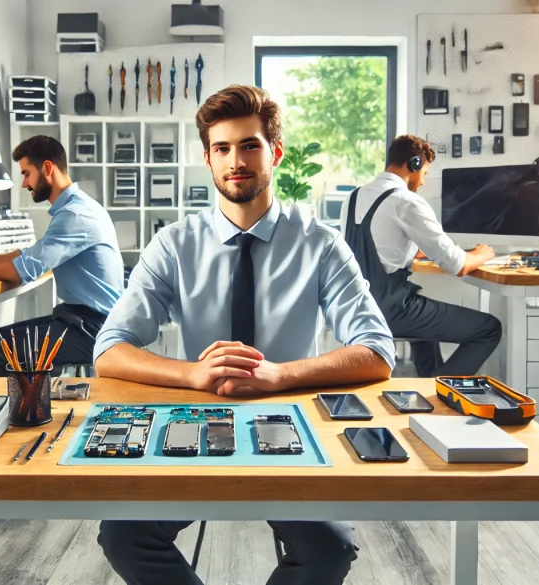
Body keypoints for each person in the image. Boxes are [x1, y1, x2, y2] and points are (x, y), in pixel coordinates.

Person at [91, 85, 396, 585]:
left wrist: (280, 375)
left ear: (274, 152)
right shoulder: (173, 244)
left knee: (330, 547)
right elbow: (110, 349)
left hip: (291, 424)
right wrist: (191, 374)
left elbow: (377, 352)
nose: (236, 161)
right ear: (208, 159)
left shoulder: (320, 244)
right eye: (222, 148)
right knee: (124, 534)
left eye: (249, 145)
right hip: (197, 422)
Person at [0, 136, 124, 376]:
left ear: (47, 168)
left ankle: (11, 409)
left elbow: (22, 270)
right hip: (79, 319)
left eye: (26, 173)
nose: (24, 183)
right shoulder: (77, 207)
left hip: (92, 329)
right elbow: (31, 255)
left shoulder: (75, 215)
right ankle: (30, 402)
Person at [341, 135, 502, 377]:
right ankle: (439, 391)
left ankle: (429, 383)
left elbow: (378, 247)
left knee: (425, 331)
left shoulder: (352, 198)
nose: (423, 182)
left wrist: (419, 249)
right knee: (489, 328)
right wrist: (481, 254)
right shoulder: (406, 201)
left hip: (357, 308)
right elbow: (457, 265)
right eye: (424, 173)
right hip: (391, 310)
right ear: (414, 165)